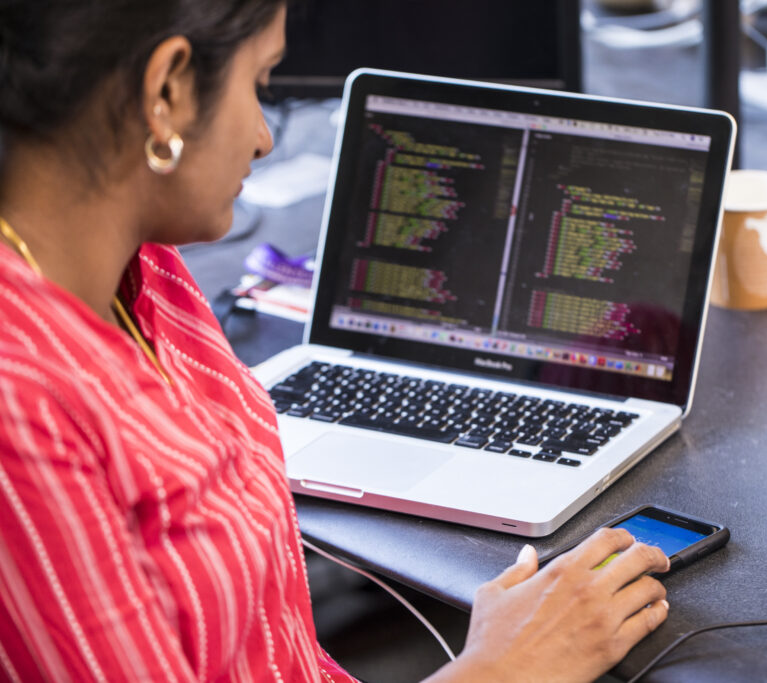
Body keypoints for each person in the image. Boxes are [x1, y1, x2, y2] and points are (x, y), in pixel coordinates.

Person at [0, 2, 672, 680]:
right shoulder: (20, 413)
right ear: (168, 89)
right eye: (259, 83)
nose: (264, 138)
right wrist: (506, 666)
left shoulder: (142, 260)